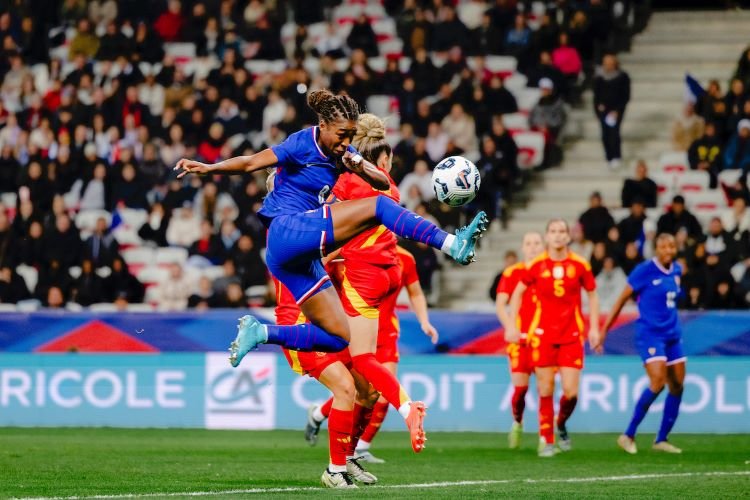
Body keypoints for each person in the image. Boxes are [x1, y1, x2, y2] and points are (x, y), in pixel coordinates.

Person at [174, 89, 487, 373]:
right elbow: (250, 163)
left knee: (338, 337)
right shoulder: (301, 142)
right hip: (286, 229)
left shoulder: (344, 154)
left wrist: (358, 163)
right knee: (378, 208)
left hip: (294, 258)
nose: (345, 142)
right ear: (322, 127)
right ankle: (450, 243)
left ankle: (261, 332)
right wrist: (208, 168)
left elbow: (382, 182)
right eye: (341, 135)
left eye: (351, 135)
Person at [302, 114, 439, 462]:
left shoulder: (345, 182)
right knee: (363, 389)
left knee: (359, 366)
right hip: (387, 272)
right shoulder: (386, 184)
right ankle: (349, 455)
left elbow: (325, 221)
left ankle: (407, 410)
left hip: (360, 276)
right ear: (385, 160)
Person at [308, 245, 439, 464]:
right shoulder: (345, 252)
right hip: (352, 331)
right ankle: (319, 415)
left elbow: (415, 292)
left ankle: (361, 448)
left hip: (385, 334)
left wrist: (424, 321)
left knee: (383, 394)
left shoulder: (405, 258)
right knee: (355, 390)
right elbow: (318, 281)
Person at [506, 219, 600, 457]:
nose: (558, 236)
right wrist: (513, 325)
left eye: (562, 231)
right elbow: (517, 294)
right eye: (553, 231)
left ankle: (560, 423)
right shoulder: (536, 265)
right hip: (543, 336)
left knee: (571, 392)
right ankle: (547, 441)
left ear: (568, 237)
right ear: (547, 237)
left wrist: (595, 328)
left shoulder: (580, 265)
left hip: (571, 335)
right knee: (545, 389)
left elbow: (593, 295)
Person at [598, 234, 686, 454]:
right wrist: (604, 331)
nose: (668, 249)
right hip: (650, 334)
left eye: (671, 246)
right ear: (656, 249)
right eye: (663, 246)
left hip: (672, 335)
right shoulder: (644, 270)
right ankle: (628, 435)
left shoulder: (676, 270)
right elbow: (620, 300)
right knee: (658, 381)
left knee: (677, 385)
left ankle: (661, 439)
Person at [496, 232, 544, 449]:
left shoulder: (549, 271)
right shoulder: (512, 272)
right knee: (520, 390)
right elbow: (500, 304)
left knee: (546, 388)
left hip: (544, 338)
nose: (533, 247)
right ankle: (517, 421)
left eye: (536, 243)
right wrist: (510, 327)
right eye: (529, 244)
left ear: (542, 247)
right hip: (519, 338)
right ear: (523, 248)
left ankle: (547, 435)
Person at [593, 54, 630, 169]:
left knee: (614, 133)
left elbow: (625, 95)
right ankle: (609, 157)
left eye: (610, 63)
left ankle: (616, 156)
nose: (608, 65)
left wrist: (618, 110)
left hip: (616, 110)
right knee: (605, 135)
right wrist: (598, 110)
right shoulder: (599, 77)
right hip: (603, 110)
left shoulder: (622, 77)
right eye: (606, 63)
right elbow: (596, 96)